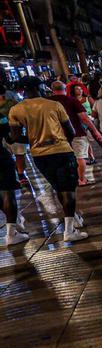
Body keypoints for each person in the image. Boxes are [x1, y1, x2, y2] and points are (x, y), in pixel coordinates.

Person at [8, 76, 87, 241]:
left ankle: (72, 221)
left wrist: (35, 139)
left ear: (22, 90)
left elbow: (16, 137)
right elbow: (70, 131)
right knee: (69, 190)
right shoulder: (54, 105)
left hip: (39, 155)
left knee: (59, 188)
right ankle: (69, 230)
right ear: (40, 87)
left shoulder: (16, 110)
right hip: (61, 151)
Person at [48, 81, 98, 187]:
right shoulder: (72, 100)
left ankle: (68, 178)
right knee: (80, 157)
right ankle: (81, 179)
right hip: (76, 132)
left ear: (52, 90)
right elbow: (84, 118)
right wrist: (95, 130)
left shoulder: (48, 102)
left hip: (56, 134)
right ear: (65, 89)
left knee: (63, 157)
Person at [0, 86, 28, 245]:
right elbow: (10, 137)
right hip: (0, 158)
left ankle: (14, 222)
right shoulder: (2, 116)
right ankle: (11, 234)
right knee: (7, 192)